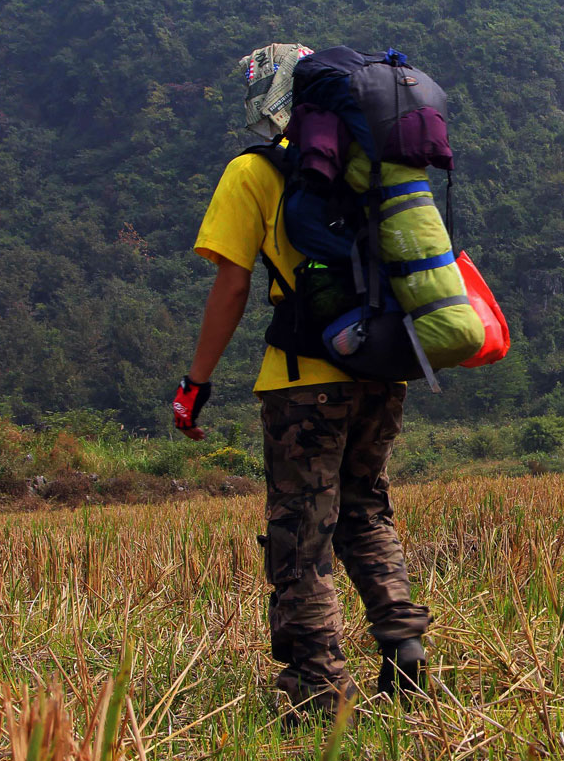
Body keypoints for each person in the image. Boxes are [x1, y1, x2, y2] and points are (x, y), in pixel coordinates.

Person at [172, 43, 430, 717]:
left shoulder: (254, 172)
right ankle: (403, 640)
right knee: (366, 507)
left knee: (302, 535)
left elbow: (231, 286)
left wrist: (195, 383)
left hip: (301, 380)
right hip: (381, 364)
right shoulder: (372, 163)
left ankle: (319, 689)